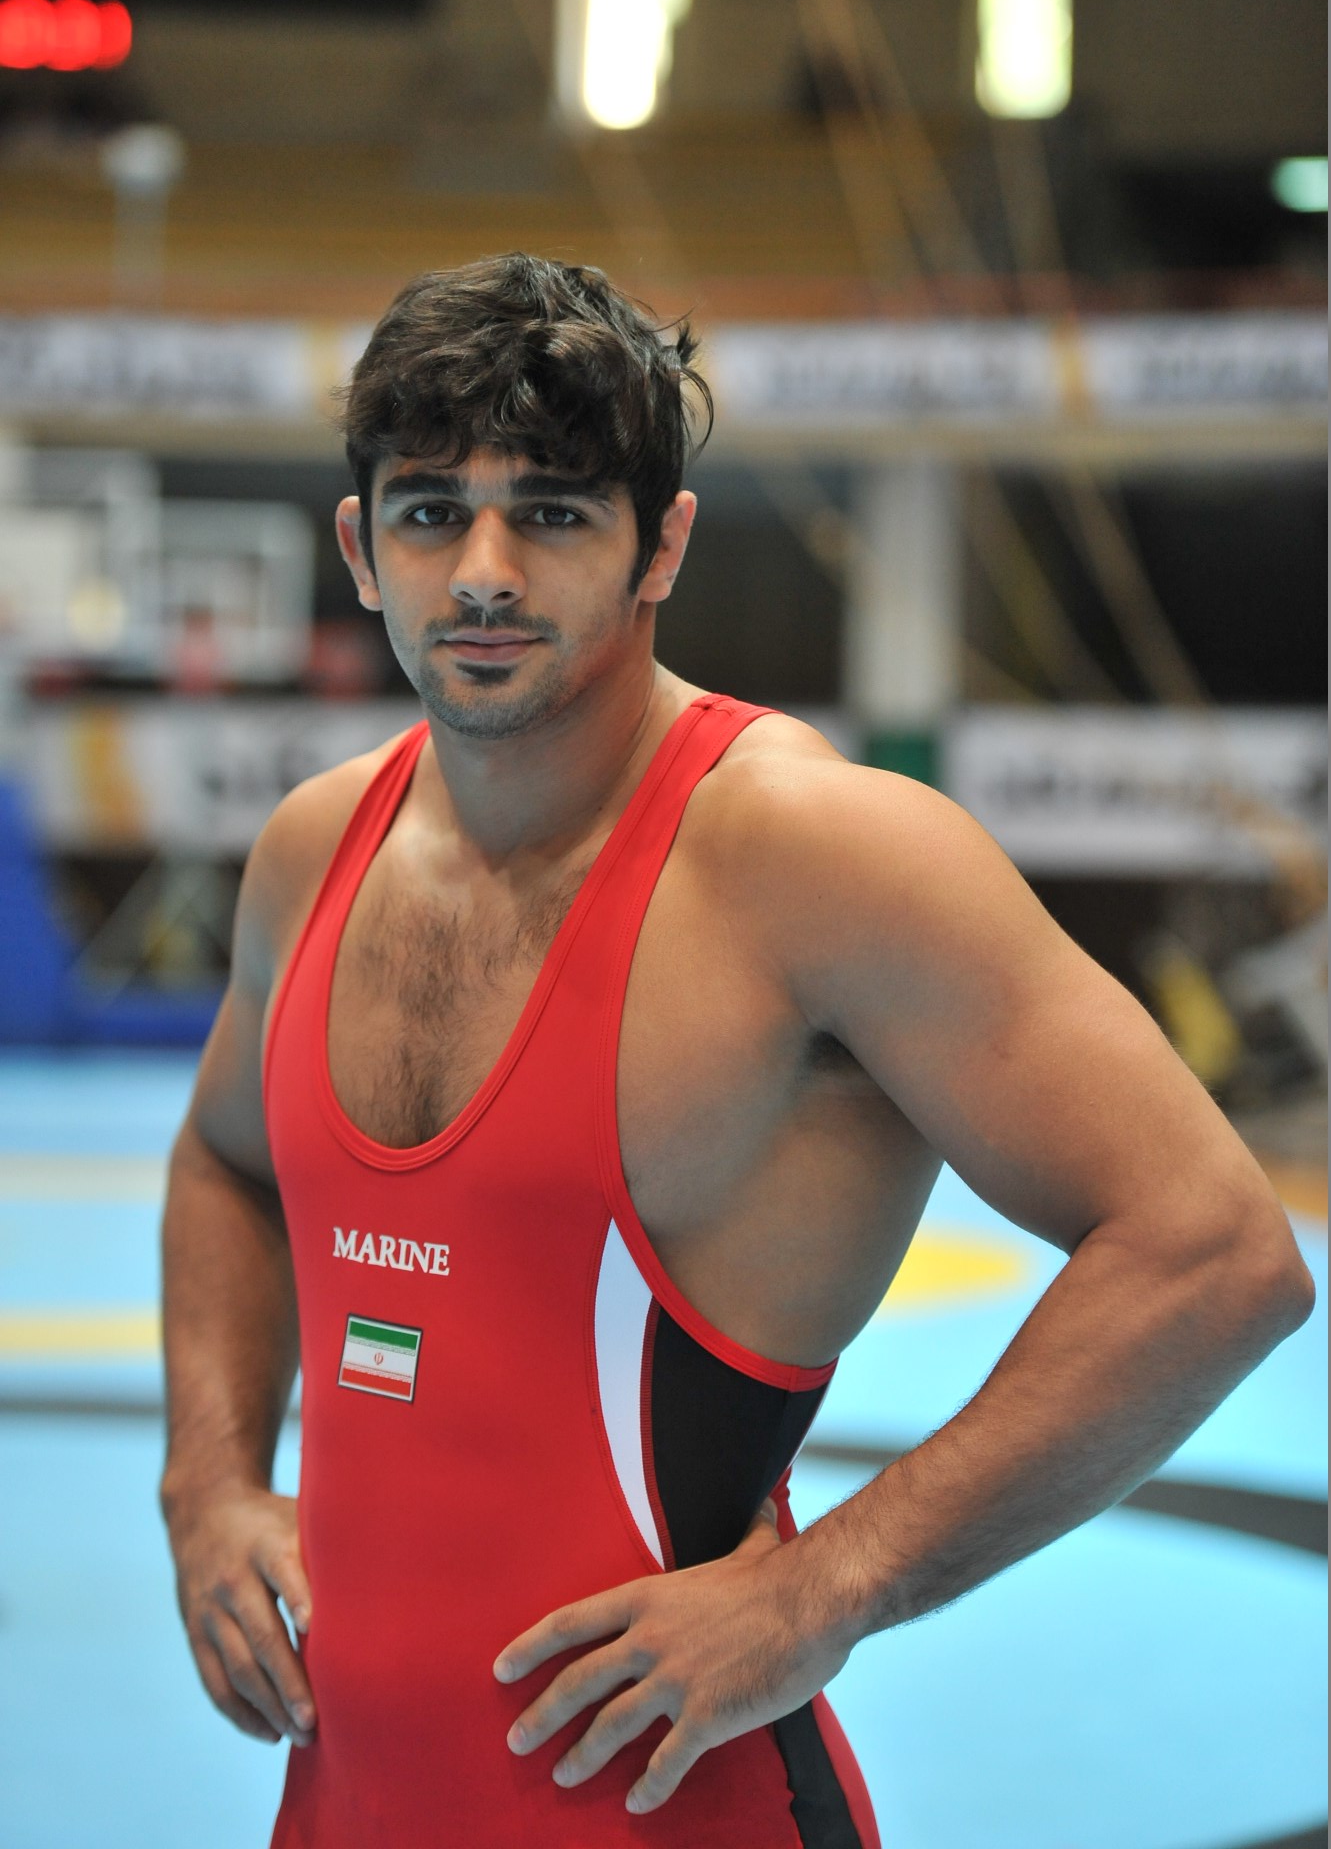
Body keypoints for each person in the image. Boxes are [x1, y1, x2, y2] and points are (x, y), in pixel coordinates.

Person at [160, 254, 1314, 1849]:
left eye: (553, 512)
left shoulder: (816, 857)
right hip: (342, 1806)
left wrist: (823, 1590)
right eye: (431, 513)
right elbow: (226, 1161)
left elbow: (1217, 1252)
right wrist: (210, 1480)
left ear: (663, 546)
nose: (483, 572)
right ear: (361, 548)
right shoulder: (315, 849)